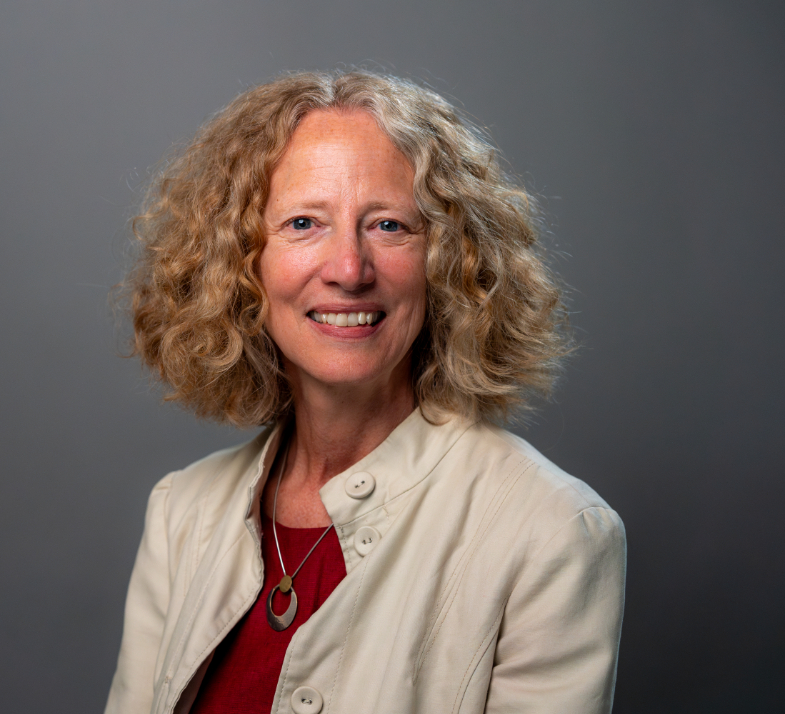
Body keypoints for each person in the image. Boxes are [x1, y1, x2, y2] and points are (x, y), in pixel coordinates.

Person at [104, 71, 625, 714]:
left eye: (388, 225)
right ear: (238, 263)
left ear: (451, 260)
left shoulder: (550, 532)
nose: (349, 270)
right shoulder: (182, 512)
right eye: (303, 223)